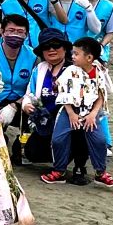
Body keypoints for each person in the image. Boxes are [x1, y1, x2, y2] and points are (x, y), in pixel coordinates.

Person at [40, 37, 113, 187]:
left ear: (89, 58)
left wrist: (93, 114)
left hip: (90, 112)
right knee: (58, 139)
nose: (73, 57)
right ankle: (59, 171)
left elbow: (101, 95)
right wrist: (71, 113)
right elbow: (63, 93)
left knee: (99, 140)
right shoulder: (70, 70)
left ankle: (100, 172)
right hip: (70, 109)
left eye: (76, 54)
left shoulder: (99, 72)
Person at [0, 14, 37, 162]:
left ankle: (22, 144)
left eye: (20, 32)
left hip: (22, 103)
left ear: (26, 34)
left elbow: (37, 91)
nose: (15, 35)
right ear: (2, 31)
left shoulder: (34, 57)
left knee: (38, 115)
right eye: (11, 30)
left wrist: (15, 105)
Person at [78, 0, 113, 151]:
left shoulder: (108, 6)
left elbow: (111, 31)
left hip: (99, 56)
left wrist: (101, 46)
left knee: (98, 96)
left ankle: (105, 140)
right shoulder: (78, 3)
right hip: (78, 55)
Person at [20, 30, 72, 165]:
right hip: (44, 120)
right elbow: (29, 93)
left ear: (65, 48)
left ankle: (78, 165)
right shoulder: (39, 69)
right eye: (46, 47)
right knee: (31, 153)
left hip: (69, 121)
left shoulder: (74, 69)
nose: (51, 50)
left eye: (56, 45)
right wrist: (26, 105)